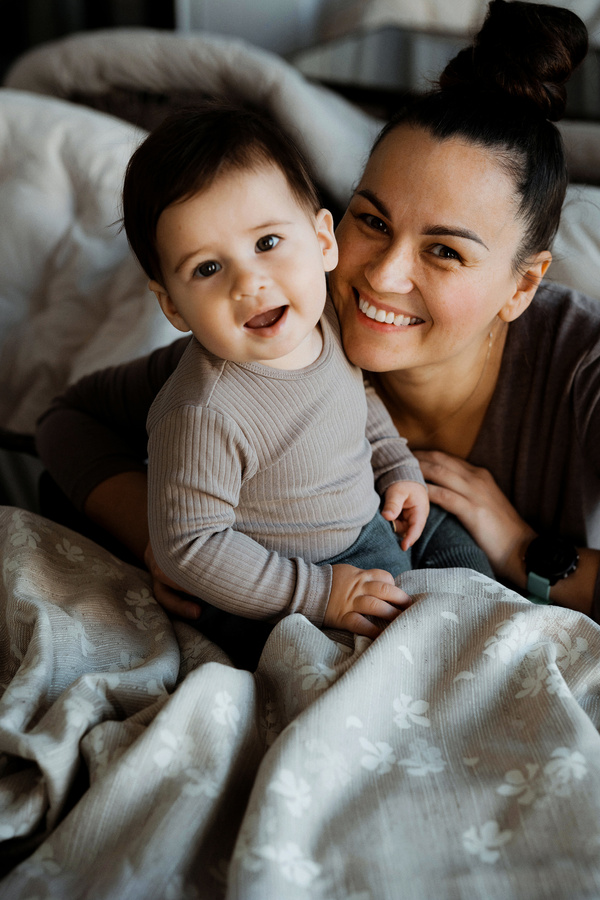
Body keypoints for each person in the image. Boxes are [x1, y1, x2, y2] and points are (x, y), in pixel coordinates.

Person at [36, 0, 598, 630]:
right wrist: (164, 546)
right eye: (373, 221)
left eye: (444, 251)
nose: (382, 277)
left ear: (523, 285)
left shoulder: (582, 364)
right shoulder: (275, 330)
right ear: (335, 228)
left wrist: (525, 550)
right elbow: (68, 422)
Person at [117, 101, 433, 640]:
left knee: (463, 558)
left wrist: (396, 464)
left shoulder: (328, 319)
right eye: (207, 268)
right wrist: (317, 594)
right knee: (338, 659)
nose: (249, 283)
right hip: (272, 586)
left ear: (323, 242)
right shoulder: (203, 411)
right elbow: (189, 545)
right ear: (172, 306)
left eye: (267, 243)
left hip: (368, 531)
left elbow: (355, 400)